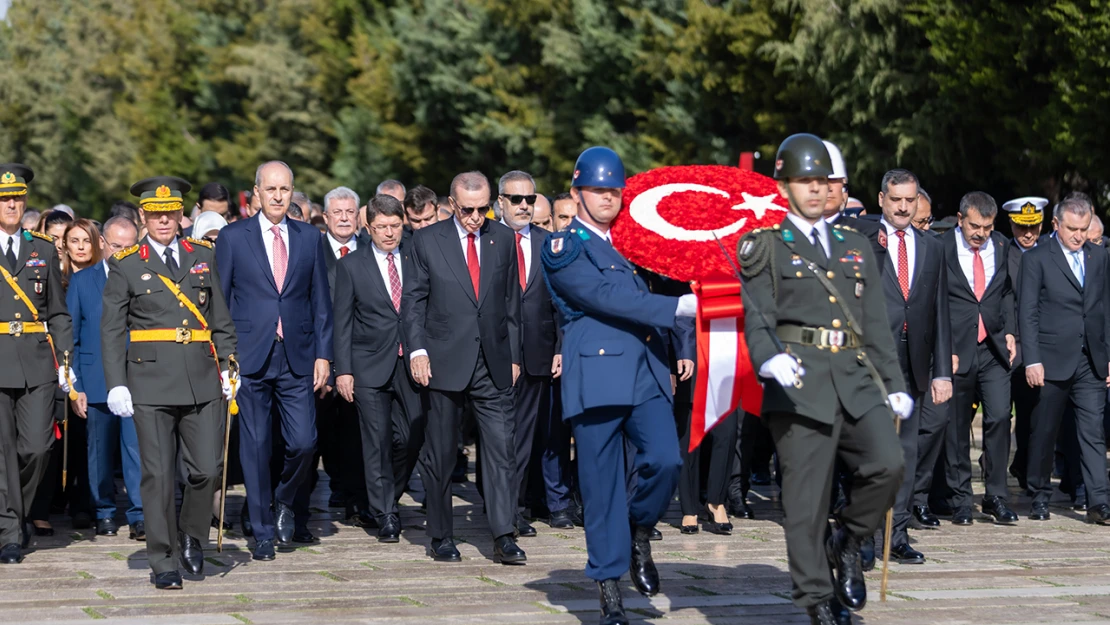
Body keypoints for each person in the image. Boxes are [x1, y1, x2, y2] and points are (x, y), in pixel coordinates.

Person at [737, 135, 908, 625]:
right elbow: (758, 314)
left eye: (823, 181)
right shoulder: (764, 245)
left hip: (856, 379)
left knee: (888, 464)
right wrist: (769, 357)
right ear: (784, 185)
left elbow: (874, 323)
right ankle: (815, 599)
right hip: (799, 381)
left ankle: (850, 537)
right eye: (804, 181)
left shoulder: (855, 246)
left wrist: (893, 383)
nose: (815, 190)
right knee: (805, 501)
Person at [542, 146, 696, 625]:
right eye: (597, 190)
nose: (608, 197)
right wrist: (675, 311)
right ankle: (609, 586)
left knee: (666, 460)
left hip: (647, 369)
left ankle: (638, 528)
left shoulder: (638, 242)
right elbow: (602, 296)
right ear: (576, 193)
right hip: (598, 372)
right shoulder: (564, 247)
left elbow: (672, 279)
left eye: (614, 190)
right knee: (601, 484)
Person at [100, 176, 238, 589]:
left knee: (207, 468)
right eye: (156, 213)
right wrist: (116, 382)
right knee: (158, 476)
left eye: (171, 212)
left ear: (182, 214)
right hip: (150, 382)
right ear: (143, 215)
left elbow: (220, 319)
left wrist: (231, 366)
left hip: (201, 377)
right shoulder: (127, 263)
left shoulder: (202, 256)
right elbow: (110, 330)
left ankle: (192, 535)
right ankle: (163, 559)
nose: (164, 219)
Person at [401, 170, 525, 565]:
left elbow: (511, 305)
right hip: (442, 359)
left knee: (502, 448)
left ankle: (505, 533)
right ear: (452, 205)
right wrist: (417, 351)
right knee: (440, 453)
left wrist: (515, 356)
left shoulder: (502, 239)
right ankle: (440, 535)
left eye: (483, 208)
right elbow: (413, 303)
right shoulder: (426, 241)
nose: (476, 216)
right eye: (468, 209)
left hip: (493, 360)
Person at [215, 161, 333, 561]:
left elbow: (321, 302)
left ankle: (283, 499)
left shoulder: (308, 238)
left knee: (304, 441)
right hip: (249, 355)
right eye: (271, 189)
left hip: (298, 354)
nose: (279, 196)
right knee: (256, 444)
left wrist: (324, 355)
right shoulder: (233, 238)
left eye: (285, 189)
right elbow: (222, 302)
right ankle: (263, 529)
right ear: (257, 193)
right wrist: (224, 356)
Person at [868, 168, 952, 564]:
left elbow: (940, 311)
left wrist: (942, 372)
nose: (904, 207)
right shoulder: (865, 240)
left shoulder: (932, 246)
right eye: (896, 199)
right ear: (882, 199)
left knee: (906, 452)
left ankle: (896, 535)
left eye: (910, 200)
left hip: (915, 361)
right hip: (871, 359)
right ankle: (864, 535)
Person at [334, 194, 427, 542]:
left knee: (412, 435)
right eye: (381, 228)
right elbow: (341, 322)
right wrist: (343, 370)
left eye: (395, 226)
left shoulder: (416, 259)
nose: (389, 233)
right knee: (376, 440)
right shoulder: (351, 266)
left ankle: (391, 490)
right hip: (368, 364)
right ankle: (386, 512)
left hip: (411, 363)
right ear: (368, 228)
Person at [0, 164, 75, 565]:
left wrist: (65, 359)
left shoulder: (42, 248)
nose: (12, 204)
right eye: (4, 198)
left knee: (37, 448)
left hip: (35, 360)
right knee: (1, 450)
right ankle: (10, 530)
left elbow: (58, 313)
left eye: (17, 197)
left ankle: (18, 512)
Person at [1019, 196, 1110, 524]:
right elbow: (1027, 311)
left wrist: (1108, 354)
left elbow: (1104, 307)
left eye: (1084, 229)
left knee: (1092, 431)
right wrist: (1032, 359)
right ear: (1056, 225)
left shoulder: (1099, 256)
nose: (1079, 235)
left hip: (1090, 359)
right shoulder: (1038, 259)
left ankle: (1099, 501)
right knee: (1044, 429)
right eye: (1072, 229)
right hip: (1051, 358)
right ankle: (1039, 494)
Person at [938, 192, 1018, 525]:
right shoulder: (941, 247)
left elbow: (1008, 292)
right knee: (956, 426)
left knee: (999, 416)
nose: (980, 233)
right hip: (956, 348)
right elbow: (935, 297)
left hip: (994, 348)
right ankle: (960, 499)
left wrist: (1011, 330)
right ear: (960, 218)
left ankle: (996, 495)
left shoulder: (1000, 246)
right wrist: (942, 349)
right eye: (974, 226)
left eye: (986, 226)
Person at [67, 216, 144, 540]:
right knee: (98, 451)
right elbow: (71, 335)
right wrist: (76, 387)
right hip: (96, 378)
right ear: (103, 243)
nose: (121, 252)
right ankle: (104, 511)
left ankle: (139, 514)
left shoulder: (144, 277)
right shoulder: (84, 281)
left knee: (136, 448)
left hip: (137, 378)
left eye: (128, 247)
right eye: (115, 245)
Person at [496, 170, 562, 535]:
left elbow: (562, 300)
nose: (525, 206)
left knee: (526, 438)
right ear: (501, 202)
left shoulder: (550, 242)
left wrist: (562, 348)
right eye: (517, 199)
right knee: (500, 437)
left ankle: (516, 509)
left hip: (539, 352)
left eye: (530, 200)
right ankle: (502, 507)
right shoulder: (486, 241)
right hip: (495, 355)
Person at [317, 186, 367, 521]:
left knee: (356, 432)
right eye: (338, 212)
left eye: (350, 212)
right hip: (321, 356)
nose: (345, 218)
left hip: (362, 356)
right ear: (326, 217)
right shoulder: (313, 252)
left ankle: (356, 498)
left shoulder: (370, 249)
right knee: (320, 431)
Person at [1003, 196, 1047, 489]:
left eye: (1034, 227)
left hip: (1039, 346)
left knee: (1034, 416)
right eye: (1021, 228)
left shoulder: (1049, 253)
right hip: (1007, 346)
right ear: (1011, 224)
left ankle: (1026, 468)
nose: (1028, 234)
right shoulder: (1003, 254)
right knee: (1001, 415)